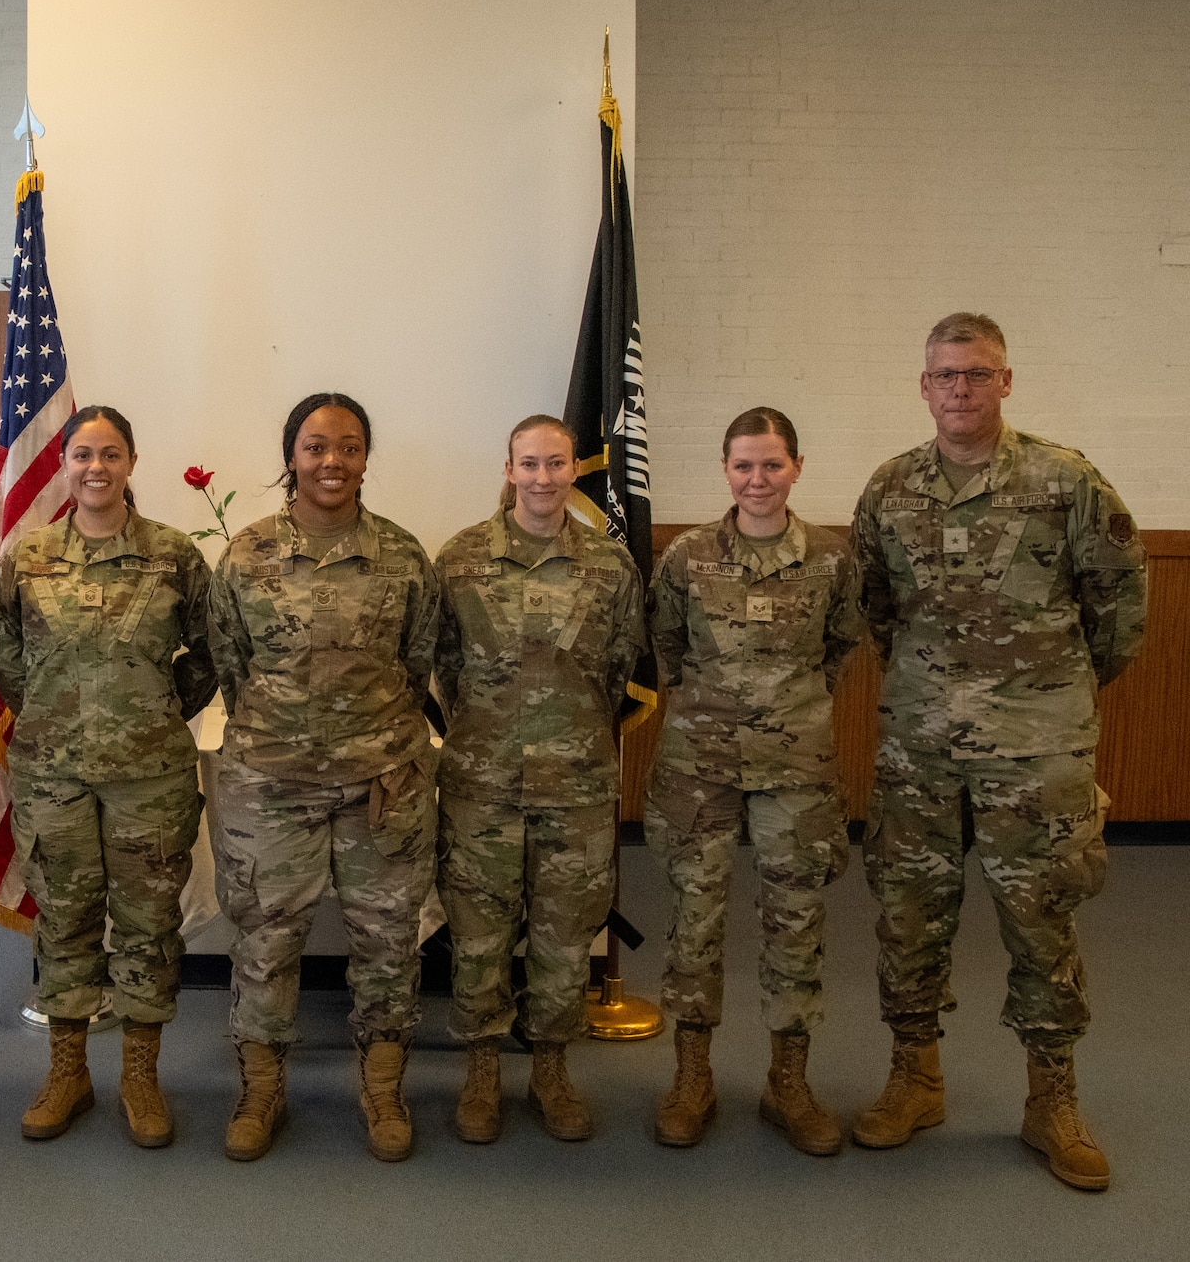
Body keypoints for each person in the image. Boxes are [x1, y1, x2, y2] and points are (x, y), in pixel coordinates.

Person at [851, 312, 1145, 1191]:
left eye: (977, 374)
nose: (961, 390)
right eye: (945, 375)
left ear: (1007, 380)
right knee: (908, 913)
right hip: (921, 746)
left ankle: (1050, 1099)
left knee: (1042, 916)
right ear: (923, 386)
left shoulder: (1067, 482)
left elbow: (1119, 607)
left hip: (1036, 746)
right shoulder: (890, 489)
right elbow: (876, 608)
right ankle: (916, 1076)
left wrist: (1050, 696)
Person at [207, 392, 441, 1163]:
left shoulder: (403, 556)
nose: (331, 461)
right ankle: (261, 1087)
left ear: (367, 457)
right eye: (315, 447)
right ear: (291, 457)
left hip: (383, 781)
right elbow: (230, 662)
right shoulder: (246, 554)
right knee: (267, 938)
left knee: (387, 940)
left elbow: (417, 660)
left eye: (347, 446)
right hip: (271, 784)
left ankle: (382, 1087)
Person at [0, 406, 217, 1149]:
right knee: (65, 920)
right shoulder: (30, 555)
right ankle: (68, 1072)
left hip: (150, 778)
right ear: (65, 464)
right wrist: (51, 711)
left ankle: (141, 1078)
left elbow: (216, 650)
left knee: (148, 926)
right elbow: (2, 644)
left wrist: (152, 712)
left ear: (132, 461)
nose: (96, 468)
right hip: (55, 778)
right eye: (82, 454)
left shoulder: (173, 555)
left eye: (110, 454)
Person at [642, 407, 865, 1155]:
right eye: (743, 465)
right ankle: (692, 1076)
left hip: (796, 772)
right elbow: (666, 645)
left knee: (795, 924)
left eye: (772, 464)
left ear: (798, 466)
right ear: (725, 469)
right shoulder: (686, 558)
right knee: (694, 922)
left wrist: (782, 710)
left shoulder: (832, 561)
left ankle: (787, 1082)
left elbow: (839, 650)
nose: (757, 479)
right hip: (698, 768)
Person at [433, 414, 646, 1146]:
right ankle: (482, 1069)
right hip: (481, 786)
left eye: (557, 464)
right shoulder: (459, 559)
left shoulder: (611, 567)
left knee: (564, 937)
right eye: (530, 464)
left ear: (573, 470)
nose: (544, 478)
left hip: (577, 784)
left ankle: (552, 1068)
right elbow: (441, 667)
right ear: (509, 467)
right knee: (478, 936)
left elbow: (620, 670)